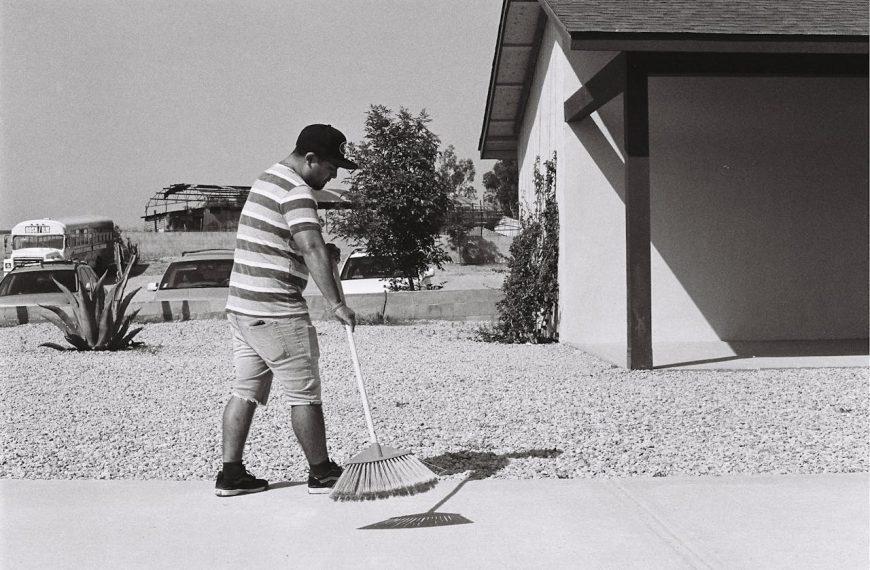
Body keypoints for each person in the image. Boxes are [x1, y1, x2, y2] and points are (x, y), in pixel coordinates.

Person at [216, 124, 358, 497]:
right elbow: (310, 248)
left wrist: (321, 253)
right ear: (309, 159)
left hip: (243, 307)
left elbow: (289, 244)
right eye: (330, 166)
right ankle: (322, 472)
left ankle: (230, 475)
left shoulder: (266, 179)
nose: (334, 174)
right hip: (276, 309)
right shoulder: (297, 192)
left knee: (244, 389)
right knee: (305, 393)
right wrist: (337, 304)